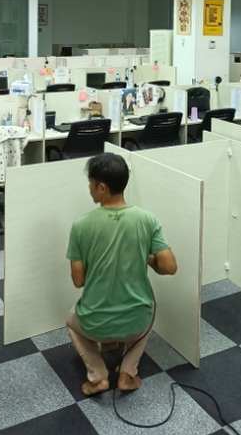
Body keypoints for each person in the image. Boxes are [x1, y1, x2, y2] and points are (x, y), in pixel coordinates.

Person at [66, 153, 177, 396]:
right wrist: (147, 258)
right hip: (136, 322)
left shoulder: (81, 225)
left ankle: (98, 376)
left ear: (101, 187)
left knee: (71, 322)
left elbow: (78, 281)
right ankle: (128, 372)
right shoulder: (147, 219)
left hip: (94, 322)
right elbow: (169, 267)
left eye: (91, 183)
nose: (89, 188)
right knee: (148, 309)